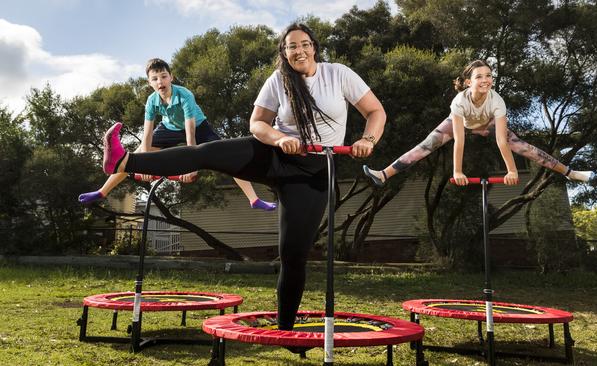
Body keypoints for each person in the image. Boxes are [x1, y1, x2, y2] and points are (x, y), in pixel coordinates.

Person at [100, 24, 385, 332]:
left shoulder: (338, 74)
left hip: (314, 171)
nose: (298, 51)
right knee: (206, 152)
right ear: (284, 52)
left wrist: (368, 139)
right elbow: (257, 124)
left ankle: (285, 331)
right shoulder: (278, 80)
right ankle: (125, 160)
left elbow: (375, 112)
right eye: (291, 47)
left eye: (304, 44)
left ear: (314, 47)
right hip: (273, 155)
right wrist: (277, 138)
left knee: (292, 254)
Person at [79, 58, 276, 211]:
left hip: (198, 127)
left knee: (227, 157)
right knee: (136, 154)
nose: (160, 81)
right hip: (169, 128)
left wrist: (192, 165)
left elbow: (190, 131)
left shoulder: (185, 95)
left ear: (171, 77)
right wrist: (145, 163)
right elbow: (147, 134)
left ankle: (254, 199)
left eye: (164, 76)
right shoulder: (151, 101)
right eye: (155, 78)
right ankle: (102, 191)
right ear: (150, 83)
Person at [363, 59, 594, 187]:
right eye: (479, 76)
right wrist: (458, 172)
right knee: (426, 145)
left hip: (489, 123)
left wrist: (512, 170)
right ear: (467, 82)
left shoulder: (497, 102)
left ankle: (570, 172)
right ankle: (383, 175)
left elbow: (502, 141)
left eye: (489, 75)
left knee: (524, 147)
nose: (486, 80)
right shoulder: (459, 102)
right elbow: (459, 140)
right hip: (461, 123)